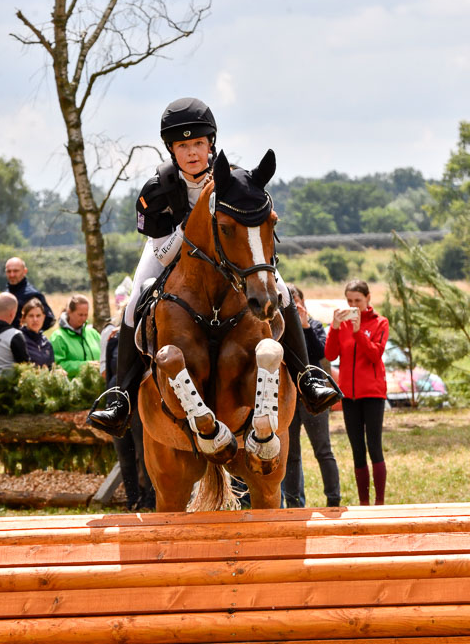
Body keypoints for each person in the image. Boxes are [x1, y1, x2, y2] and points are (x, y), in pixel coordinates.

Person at [89, 96, 338, 436]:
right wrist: (193, 225)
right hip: (170, 253)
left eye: (198, 144)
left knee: (280, 290)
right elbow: (162, 252)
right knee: (136, 299)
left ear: (210, 144)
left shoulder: (234, 181)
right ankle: (121, 396)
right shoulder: (156, 190)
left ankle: (306, 376)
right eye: (183, 145)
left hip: (228, 263)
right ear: (171, 149)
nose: (192, 152)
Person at [325, 279, 389, 506]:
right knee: (357, 450)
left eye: (358, 301)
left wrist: (358, 330)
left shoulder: (380, 322)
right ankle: (364, 504)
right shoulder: (341, 326)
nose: (353, 305)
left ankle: (379, 503)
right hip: (349, 396)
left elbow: (375, 354)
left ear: (368, 298)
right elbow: (331, 355)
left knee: (374, 447)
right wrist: (333, 326)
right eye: (349, 301)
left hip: (372, 394)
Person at [282, 285, 341, 508]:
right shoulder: (281, 329)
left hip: (313, 397)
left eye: (297, 303)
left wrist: (305, 326)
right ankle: (293, 502)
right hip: (289, 397)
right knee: (291, 454)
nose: (294, 309)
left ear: (304, 303)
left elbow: (320, 353)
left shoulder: (314, 325)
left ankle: (333, 499)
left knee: (323, 450)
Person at [50, 294, 100, 378]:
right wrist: (85, 366)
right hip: (72, 388)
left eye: (86, 315)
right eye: (80, 315)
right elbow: (58, 366)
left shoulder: (93, 333)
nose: (83, 318)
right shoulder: (58, 337)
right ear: (69, 312)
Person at [5, 256, 55, 330]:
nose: (12, 275)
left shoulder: (33, 295)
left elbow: (49, 319)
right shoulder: (4, 295)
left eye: (16, 271)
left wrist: (30, 335)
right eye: (9, 271)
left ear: (25, 271)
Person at [20, 298, 54, 368]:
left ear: (43, 317)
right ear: (24, 318)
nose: (35, 320)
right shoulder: (20, 340)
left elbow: (51, 368)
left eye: (38, 316)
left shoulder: (47, 343)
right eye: (31, 316)